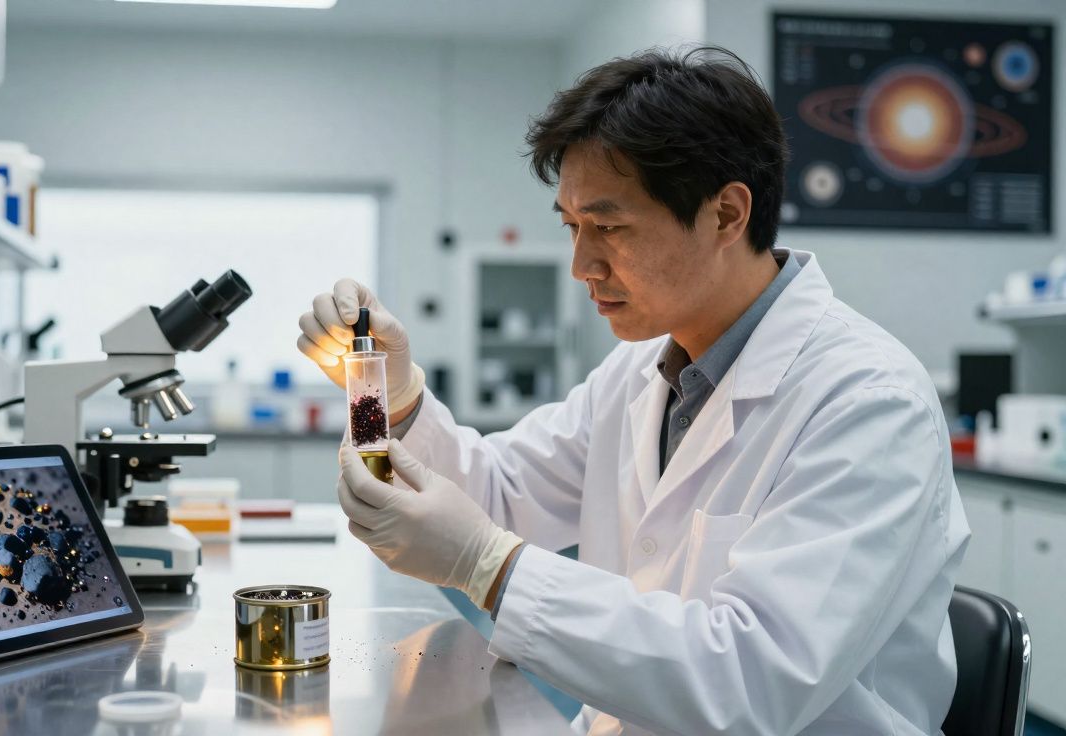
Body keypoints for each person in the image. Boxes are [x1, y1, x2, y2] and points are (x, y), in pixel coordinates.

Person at [297, 46, 968, 736]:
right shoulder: (642, 371)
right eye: (571, 227)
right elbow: (497, 497)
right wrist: (394, 394)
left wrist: (490, 569)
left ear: (726, 214)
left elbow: (751, 681)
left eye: (609, 228)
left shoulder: (867, 402)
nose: (581, 265)